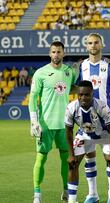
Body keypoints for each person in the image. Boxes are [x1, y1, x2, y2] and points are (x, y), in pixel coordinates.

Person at [29, 41, 79, 203]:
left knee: (67, 160)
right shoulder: (41, 73)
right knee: (41, 158)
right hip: (46, 125)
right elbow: (33, 97)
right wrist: (34, 121)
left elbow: (71, 88)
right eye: (53, 52)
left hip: (65, 125)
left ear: (63, 53)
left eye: (59, 52)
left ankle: (66, 190)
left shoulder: (68, 72)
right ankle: (37, 193)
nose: (56, 54)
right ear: (49, 54)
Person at [64, 80, 110, 203]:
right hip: (84, 134)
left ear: (92, 94)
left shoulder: (102, 106)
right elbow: (68, 131)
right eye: (80, 95)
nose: (83, 97)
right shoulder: (71, 107)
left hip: (105, 135)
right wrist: (71, 155)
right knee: (72, 164)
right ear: (77, 95)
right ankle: (78, 199)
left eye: (87, 94)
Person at [77, 33, 110, 203]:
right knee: (89, 157)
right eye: (90, 43)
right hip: (85, 121)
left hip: (105, 122)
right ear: (86, 46)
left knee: (109, 159)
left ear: (102, 44)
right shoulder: (81, 66)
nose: (93, 45)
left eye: (96, 42)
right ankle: (92, 194)